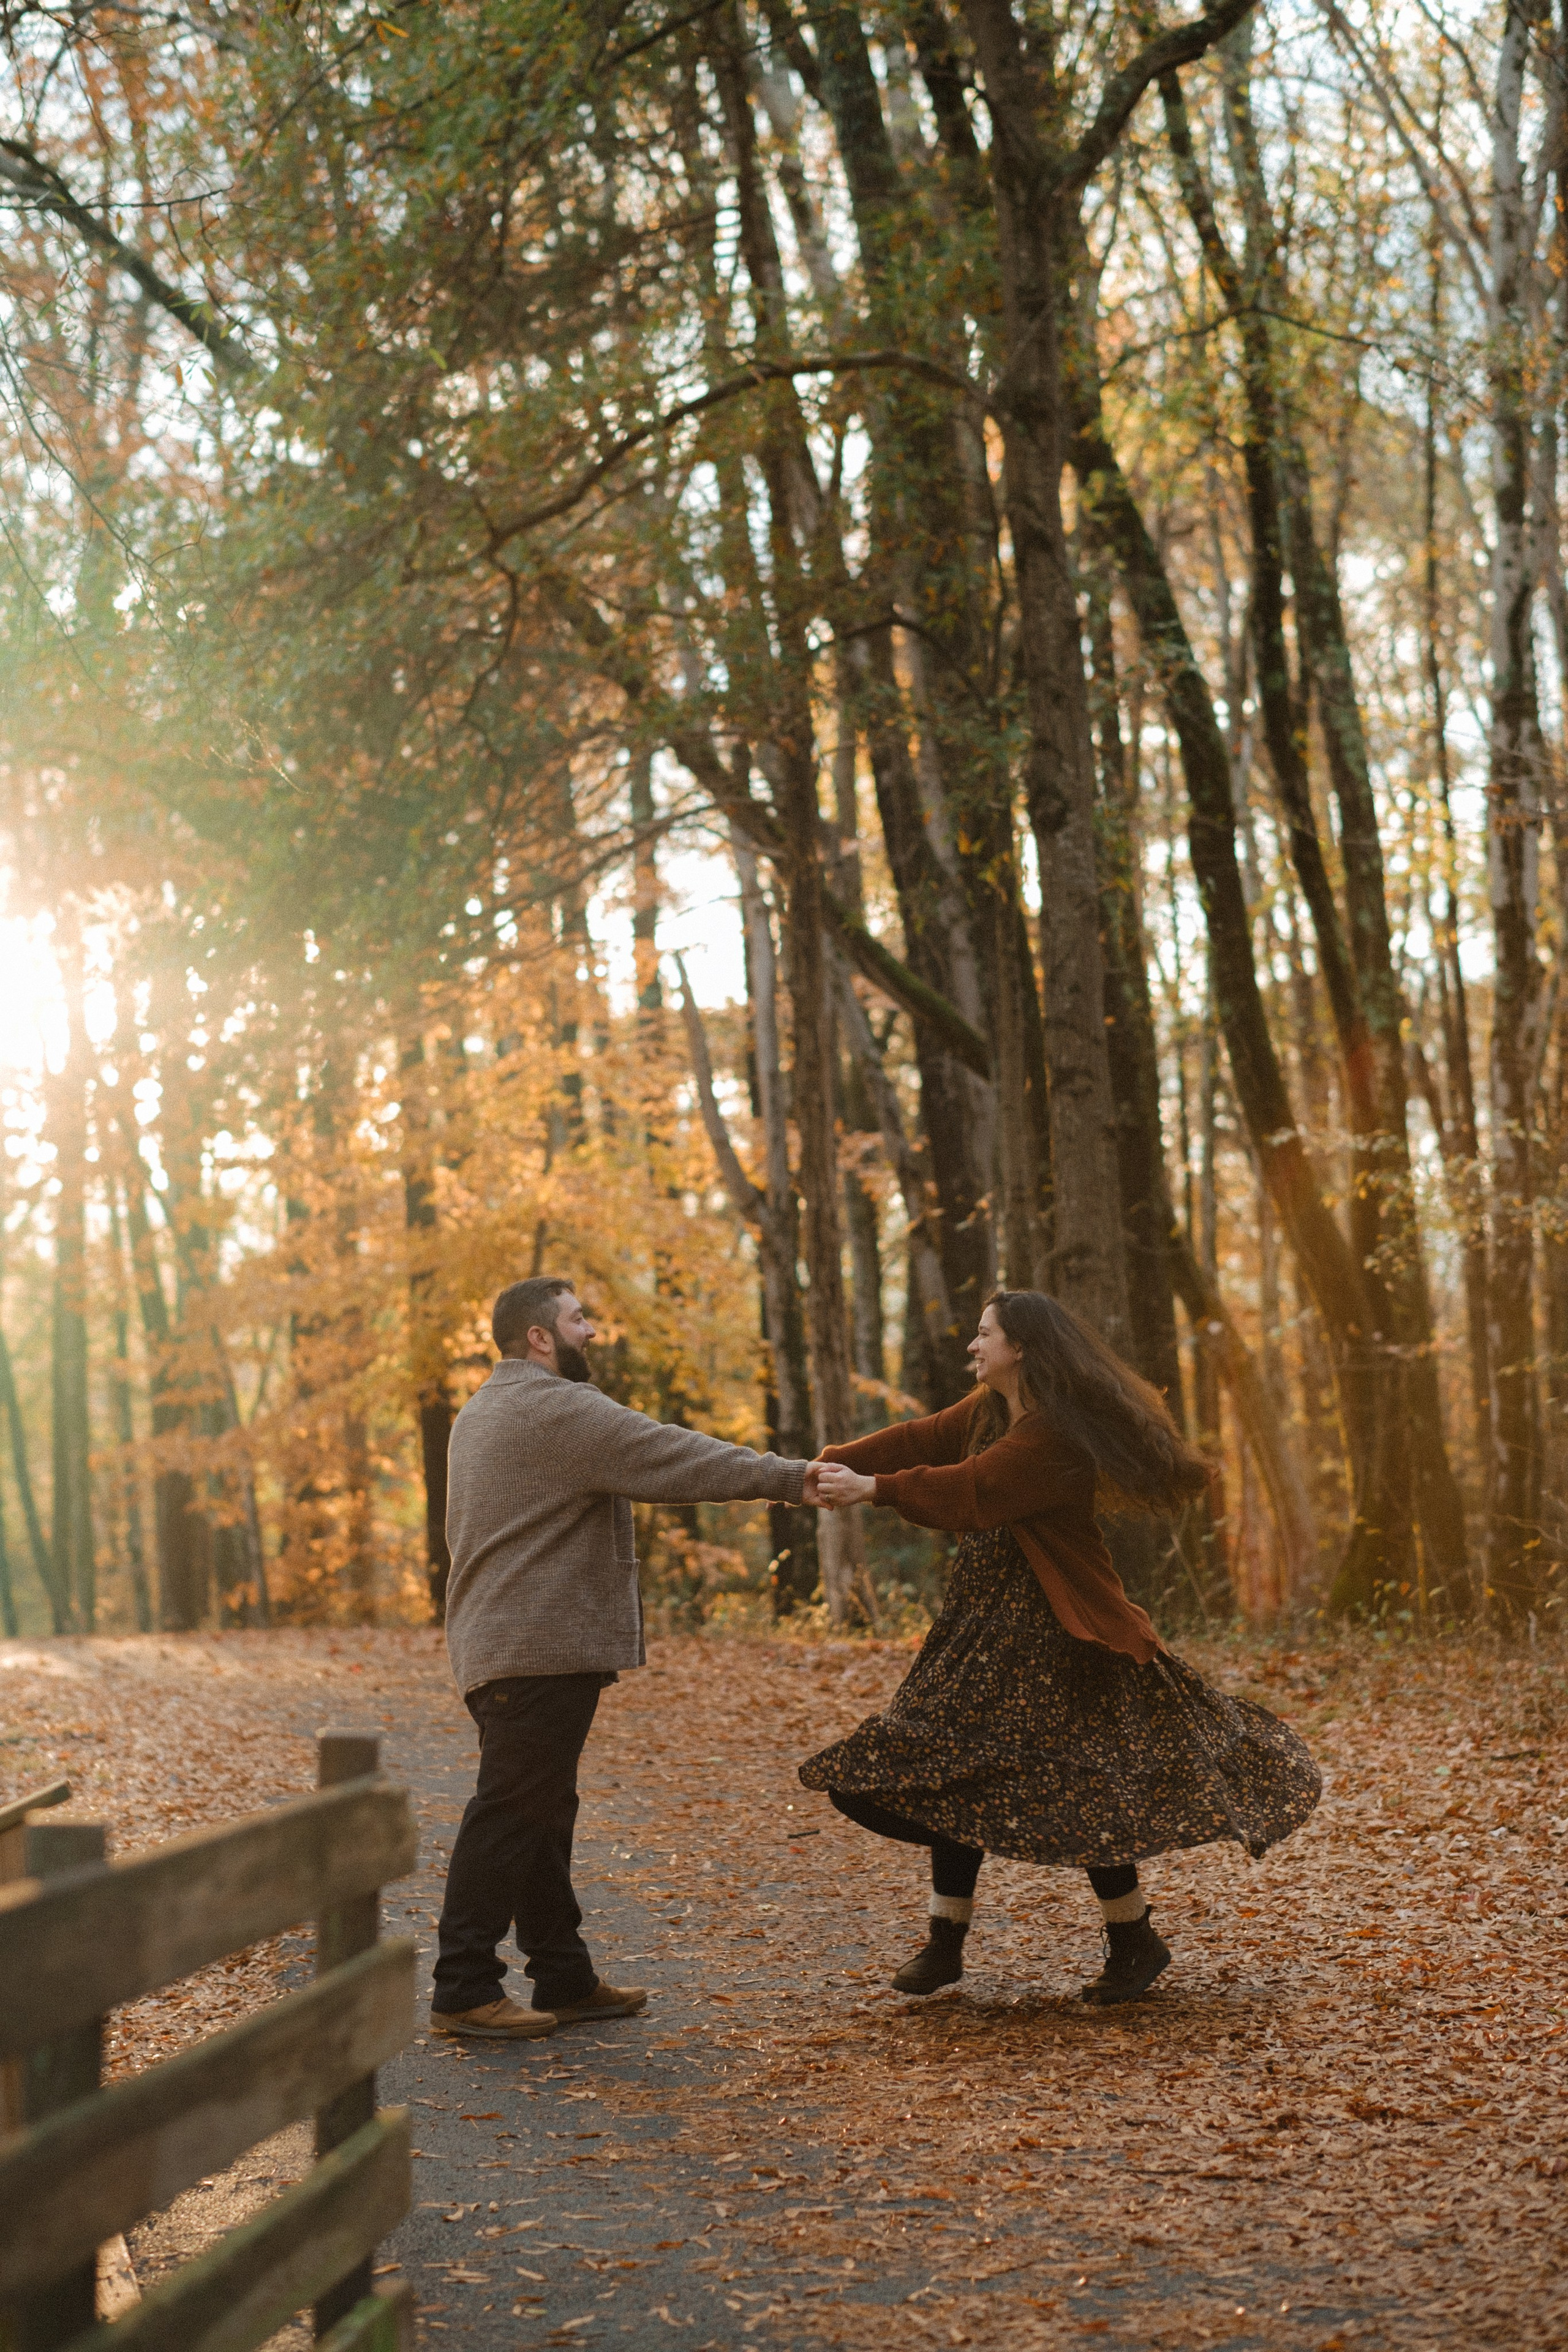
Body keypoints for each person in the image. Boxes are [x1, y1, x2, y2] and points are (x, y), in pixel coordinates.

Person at [802, 1290, 1321, 2005]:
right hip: (980, 1630)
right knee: (952, 1765)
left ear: (1021, 1348)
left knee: (1087, 1779)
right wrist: (817, 1468)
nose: (972, 1346)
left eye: (984, 1335)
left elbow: (976, 1488)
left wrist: (873, 1490)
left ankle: (1132, 1939)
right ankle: (945, 1942)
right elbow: (918, 1439)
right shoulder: (990, 1409)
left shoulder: (1053, 1436)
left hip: (1057, 1632)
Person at [432, 1274, 821, 2040]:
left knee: (541, 1810)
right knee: (512, 1811)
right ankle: (461, 1987)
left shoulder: (483, 1408)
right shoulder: (555, 1407)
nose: (593, 1331)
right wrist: (794, 1478)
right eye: (580, 1320)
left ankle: (563, 1977)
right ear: (539, 1338)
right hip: (533, 1646)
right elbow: (677, 1458)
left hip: (505, 1644)